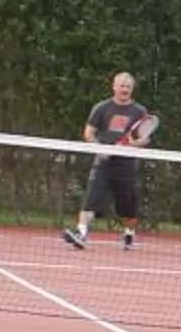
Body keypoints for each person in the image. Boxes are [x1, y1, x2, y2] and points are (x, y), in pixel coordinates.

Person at [63, 71, 155, 251]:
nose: (124, 89)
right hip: (103, 163)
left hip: (126, 165)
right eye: (121, 86)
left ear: (132, 89)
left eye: (128, 86)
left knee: (127, 208)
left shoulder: (139, 111)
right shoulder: (102, 108)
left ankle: (129, 232)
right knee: (91, 199)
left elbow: (144, 139)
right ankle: (81, 233)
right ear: (114, 87)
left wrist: (132, 145)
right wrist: (100, 148)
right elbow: (88, 133)